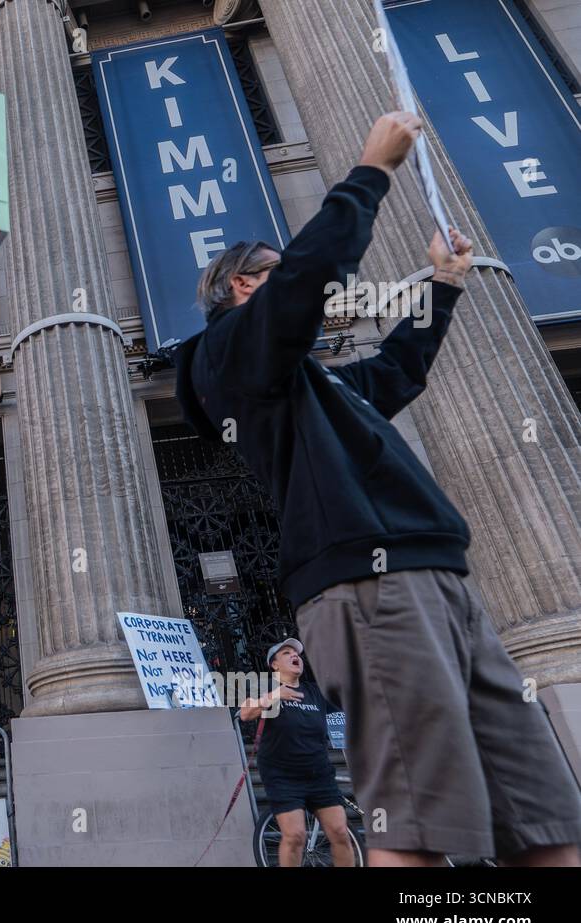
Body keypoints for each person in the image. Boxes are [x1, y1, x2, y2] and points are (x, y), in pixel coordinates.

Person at [176, 110, 581, 866]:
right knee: (419, 830)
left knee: (544, 821)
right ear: (243, 287)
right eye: (276, 268)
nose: (302, 284)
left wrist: (444, 285)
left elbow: (392, 374)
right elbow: (306, 280)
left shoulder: (309, 385)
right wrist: (372, 170)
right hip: (369, 585)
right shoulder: (229, 357)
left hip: (443, 581)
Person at [240, 639, 352, 867]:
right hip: (283, 775)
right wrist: (273, 696)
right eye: (287, 652)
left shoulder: (314, 692)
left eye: (298, 654)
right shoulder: (267, 687)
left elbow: (349, 699)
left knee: (340, 833)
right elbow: (245, 713)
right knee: (295, 836)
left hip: (319, 772)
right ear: (274, 664)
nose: (295, 656)